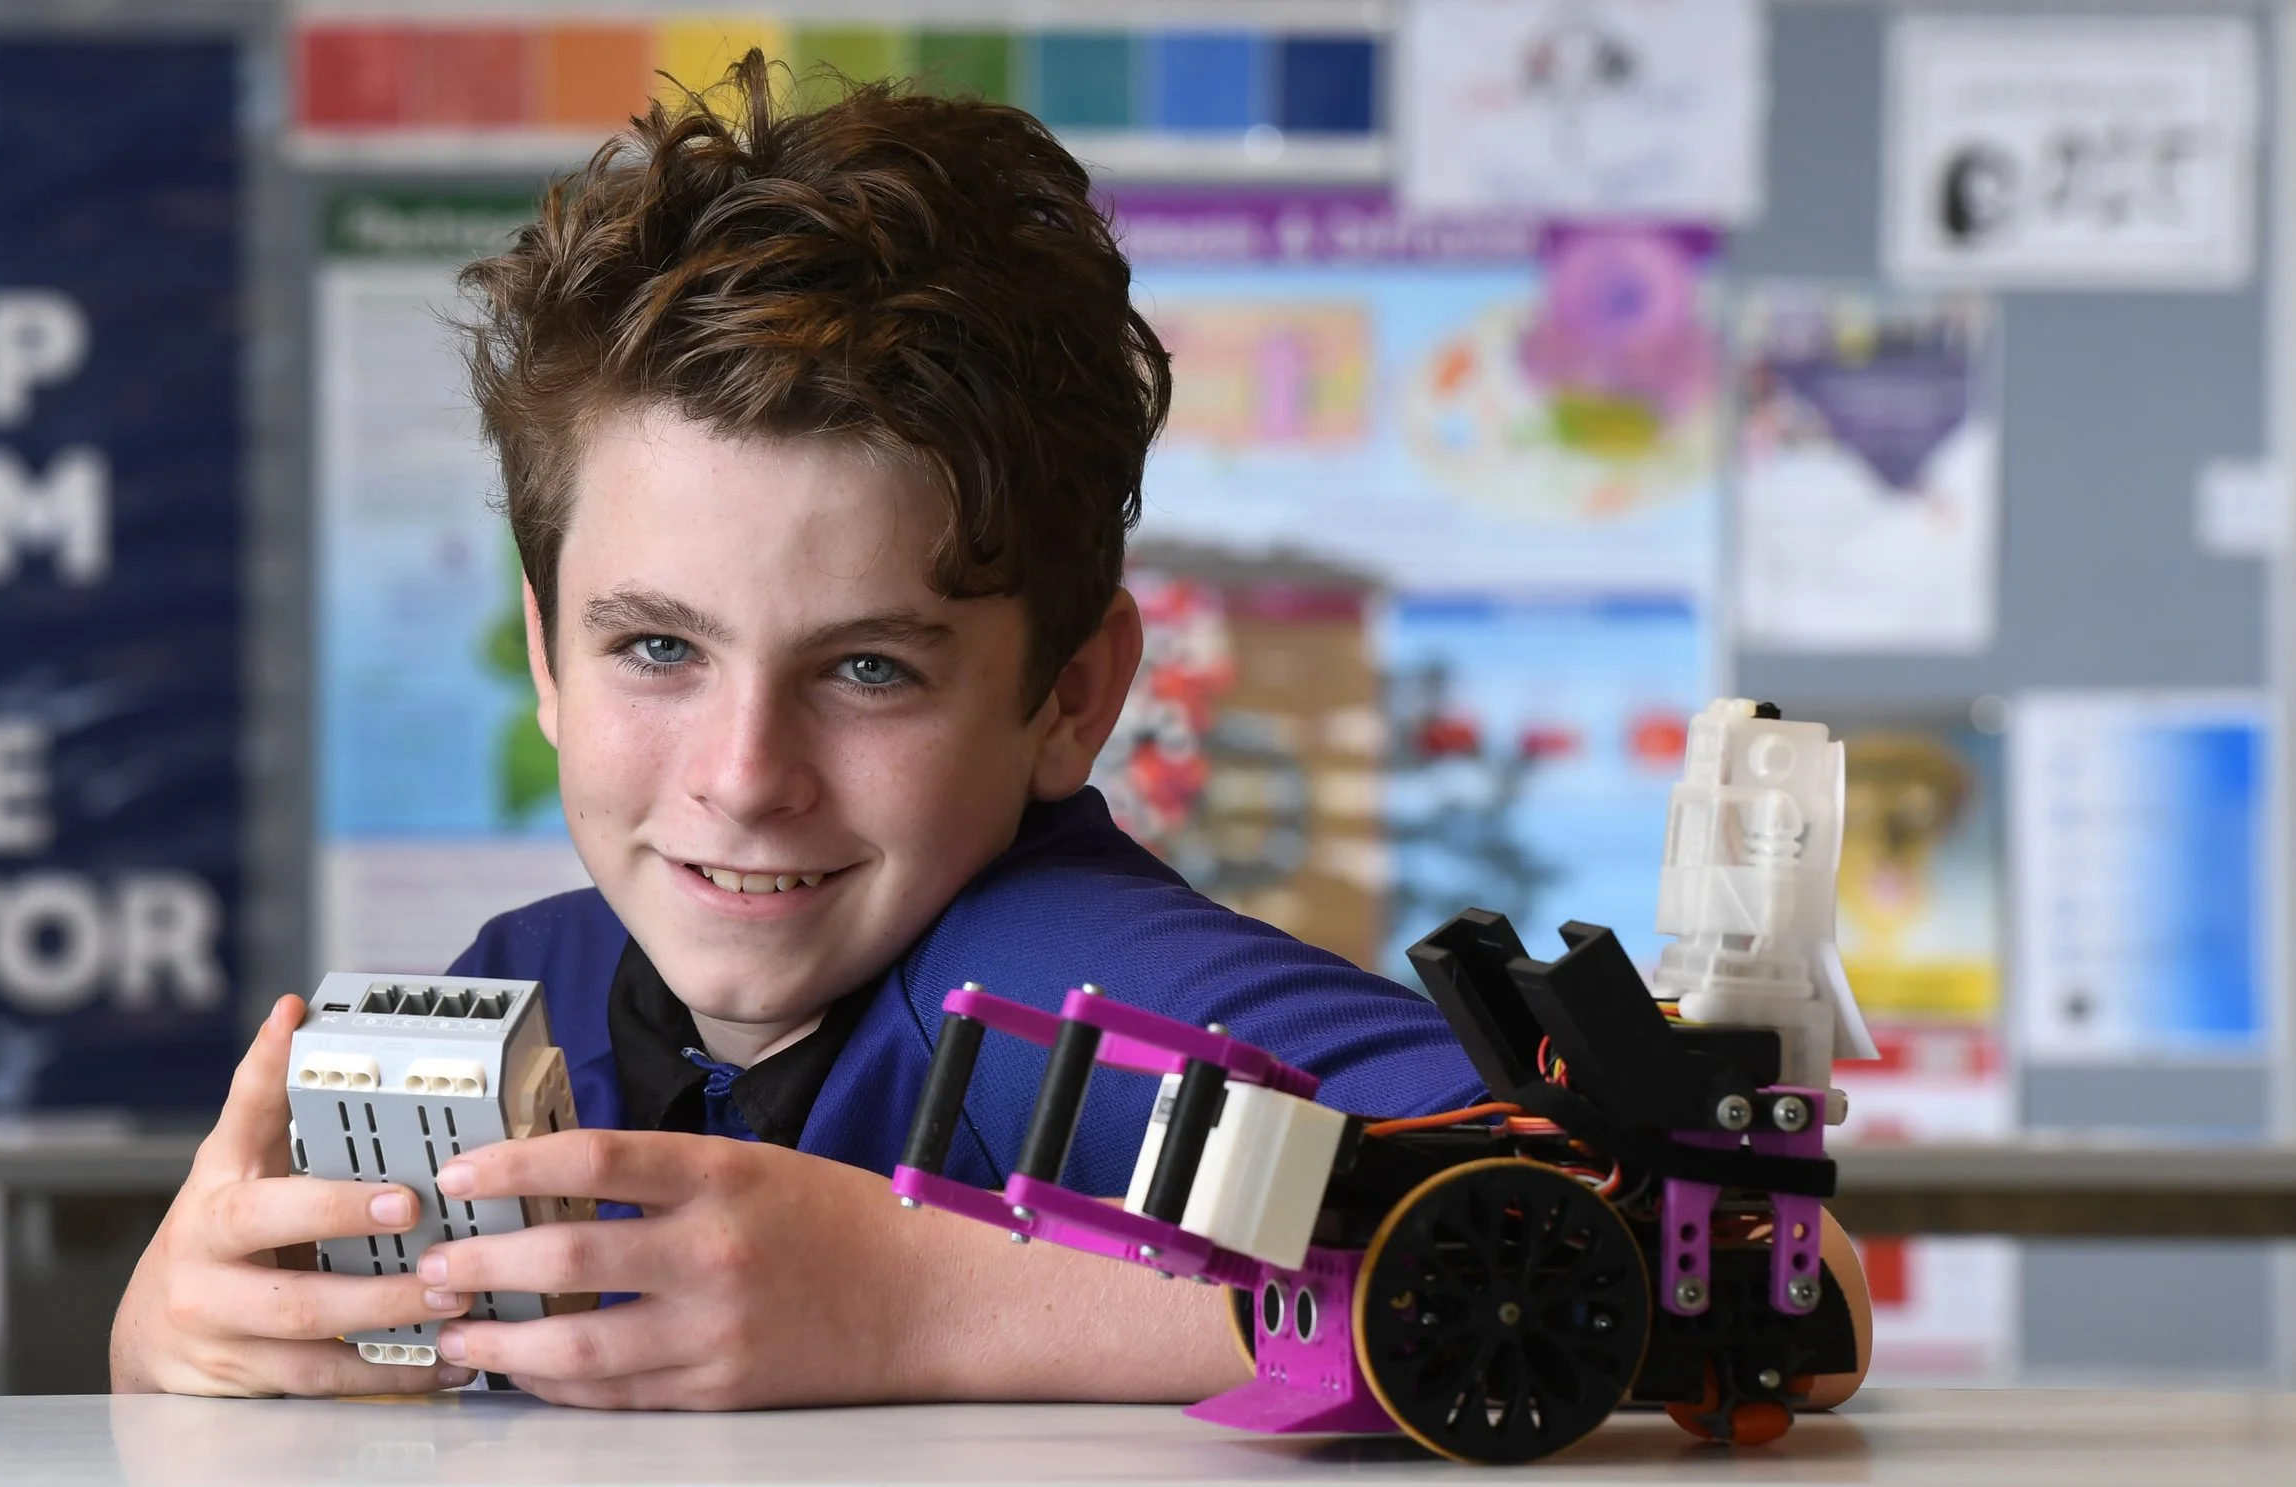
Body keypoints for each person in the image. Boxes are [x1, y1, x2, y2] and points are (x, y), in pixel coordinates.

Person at [110, 54, 1869, 1410]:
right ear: (544, 656)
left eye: (871, 669)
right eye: (656, 647)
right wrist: (177, 1329)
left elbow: (1744, 1293)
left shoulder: (1098, 993)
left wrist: (909, 1296)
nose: (742, 772)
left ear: (1071, 697)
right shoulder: (526, 987)